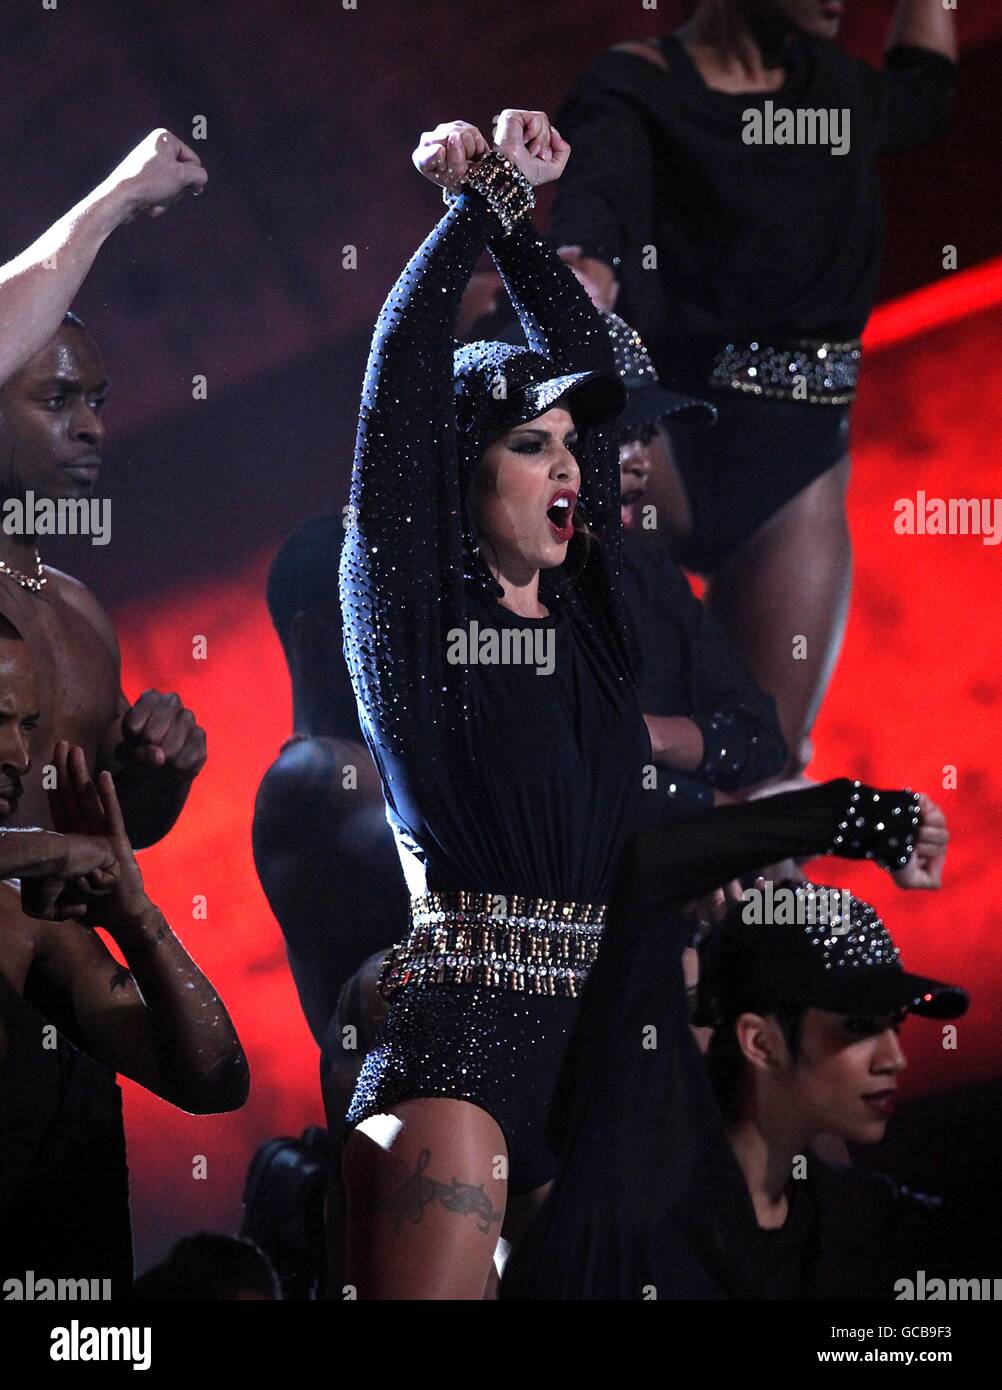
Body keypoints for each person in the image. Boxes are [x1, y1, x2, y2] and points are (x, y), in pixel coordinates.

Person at [336, 107, 947, 1300]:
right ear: (460, 473)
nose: (570, 467)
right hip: (464, 1037)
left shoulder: (597, 625)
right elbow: (398, 388)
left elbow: (607, 384)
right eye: (529, 445)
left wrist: (522, 218)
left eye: (573, 445)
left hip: (598, 1046)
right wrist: (473, 207)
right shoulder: (408, 618)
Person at [550, 0, 957, 774]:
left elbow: (924, 100)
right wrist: (583, 274)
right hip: (661, 450)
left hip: (792, 475)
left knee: (759, 768)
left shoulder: (832, 87)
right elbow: (594, 218)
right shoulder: (637, 88)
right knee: (611, 753)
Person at [501, 879, 968, 1299]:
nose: (895, 1058)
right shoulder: (619, 1241)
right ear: (759, 1042)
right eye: (861, 1026)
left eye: (896, 1025)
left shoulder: (871, 1222)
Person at [0, 624, 248, 1293]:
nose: (18, 755)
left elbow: (215, 1080)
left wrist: (136, 922)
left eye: (27, 725)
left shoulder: (30, 925)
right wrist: (45, 849)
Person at [0, 130, 209, 845]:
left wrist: (160, 769)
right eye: (58, 401)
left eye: (97, 401)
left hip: (65, 957)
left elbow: (117, 832)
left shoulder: (76, 606)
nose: (92, 428)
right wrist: (115, 199)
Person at [253, 516, 408, 1047]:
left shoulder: (380, 764)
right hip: (404, 1105)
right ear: (315, 637)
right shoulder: (310, 779)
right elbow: (472, 882)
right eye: (386, 618)